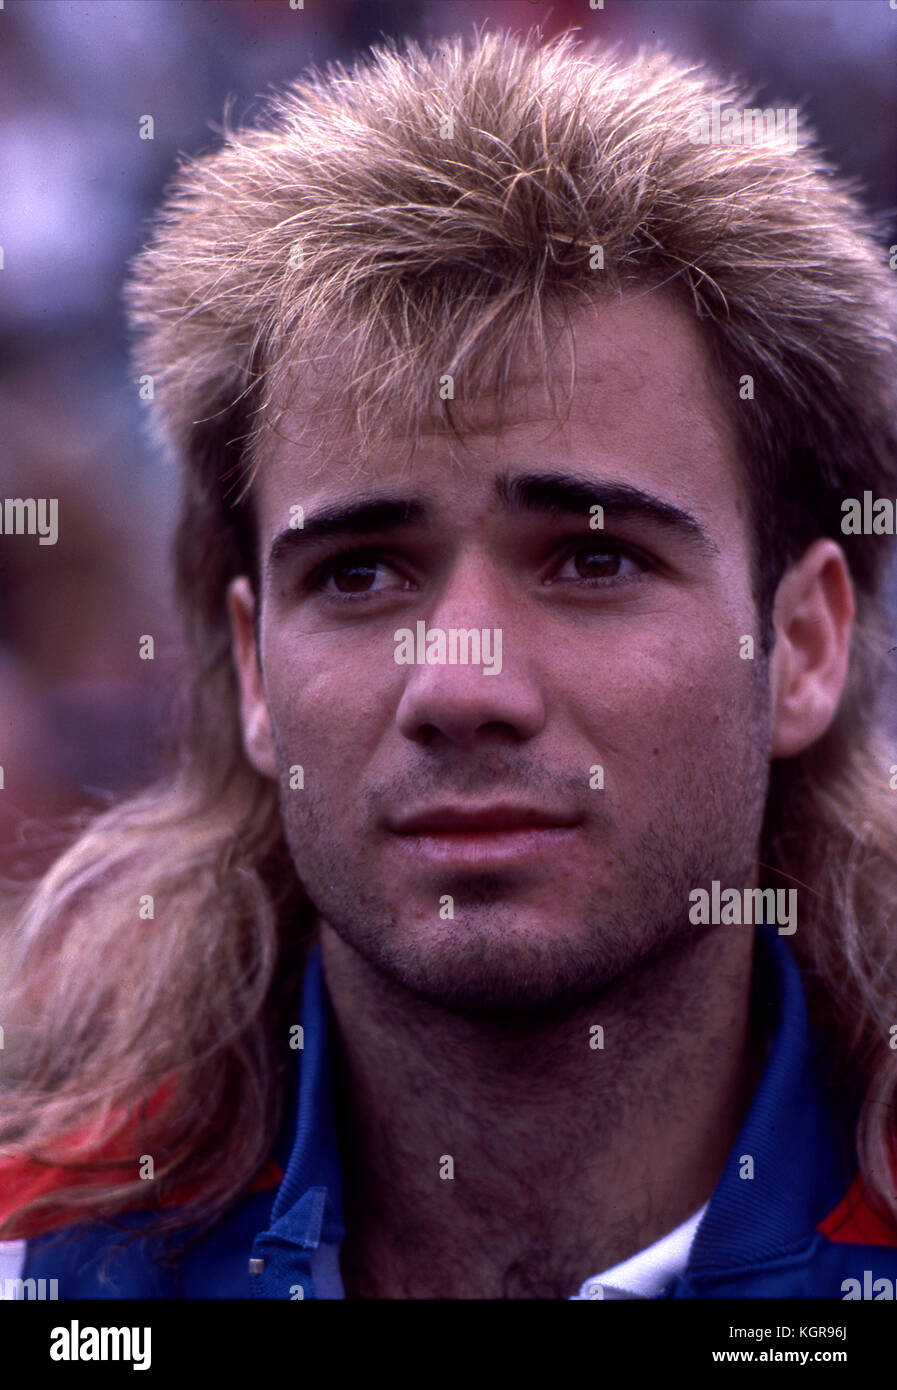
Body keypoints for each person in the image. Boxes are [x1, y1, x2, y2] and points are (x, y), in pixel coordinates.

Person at [2, 26, 897, 1300]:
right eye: (359, 574)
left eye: (592, 561)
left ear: (804, 644)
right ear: (255, 671)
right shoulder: (41, 1262)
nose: (463, 686)